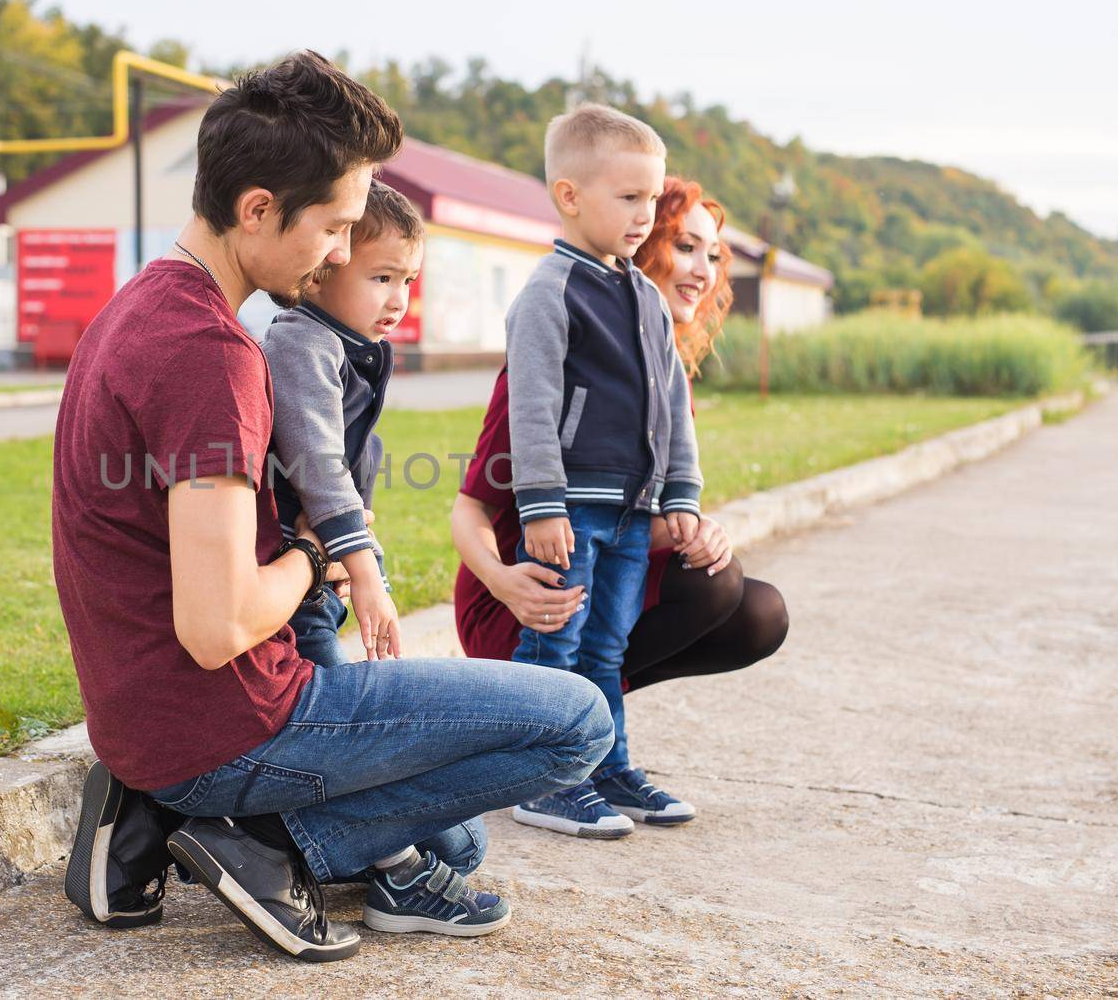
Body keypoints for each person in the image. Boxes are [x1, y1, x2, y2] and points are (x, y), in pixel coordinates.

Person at [51, 51, 612, 963]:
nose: (345, 255)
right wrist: (316, 551)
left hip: (151, 725)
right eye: (338, 226)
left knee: (458, 840)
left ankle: (163, 813)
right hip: (233, 723)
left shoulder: (140, 306)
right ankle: (263, 844)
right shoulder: (211, 355)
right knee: (579, 721)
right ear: (258, 208)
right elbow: (217, 624)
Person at [451, 175, 790, 835]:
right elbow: (470, 507)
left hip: (604, 575)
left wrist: (692, 528)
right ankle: (541, 755)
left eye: (712, 254)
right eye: (686, 246)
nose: (703, 268)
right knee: (712, 588)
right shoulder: (554, 348)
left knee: (754, 608)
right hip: (524, 599)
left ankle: (599, 755)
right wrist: (503, 580)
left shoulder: (664, 375)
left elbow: (642, 512)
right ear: (641, 242)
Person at [500, 104, 703, 839]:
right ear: (570, 196)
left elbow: (672, 402)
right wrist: (541, 505)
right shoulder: (550, 292)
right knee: (556, 641)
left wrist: (681, 491)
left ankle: (605, 762)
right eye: (629, 198)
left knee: (606, 646)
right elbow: (532, 408)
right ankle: (544, 778)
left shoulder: (646, 298)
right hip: (570, 511)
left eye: (652, 199)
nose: (646, 215)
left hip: (630, 509)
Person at [264, 180, 422, 666]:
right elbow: (318, 465)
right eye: (382, 279)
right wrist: (368, 576)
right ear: (318, 274)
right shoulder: (303, 344)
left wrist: (364, 562)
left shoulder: (351, 348)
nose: (399, 301)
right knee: (322, 692)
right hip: (287, 568)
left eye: (408, 281)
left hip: (326, 562)